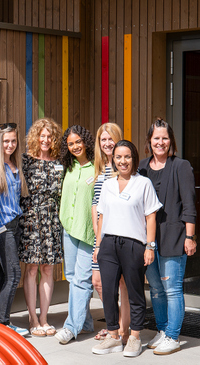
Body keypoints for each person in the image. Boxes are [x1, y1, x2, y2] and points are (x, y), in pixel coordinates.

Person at [92, 140, 162, 357]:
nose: (123, 161)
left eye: (127, 157)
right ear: (113, 159)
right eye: (118, 157)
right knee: (109, 291)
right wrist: (98, 245)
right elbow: (101, 216)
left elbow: (151, 217)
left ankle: (134, 337)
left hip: (134, 245)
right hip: (109, 244)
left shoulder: (143, 184)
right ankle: (113, 335)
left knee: (135, 292)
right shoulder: (108, 184)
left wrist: (150, 246)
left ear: (133, 159)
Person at [139, 118, 197, 355]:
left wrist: (190, 237)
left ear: (170, 140)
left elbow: (189, 204)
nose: (160, 142)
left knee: (171, 288)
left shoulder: (181, 166)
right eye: (156, 138)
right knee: (155, 288)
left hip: (174, 236)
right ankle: (162, 330)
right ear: (149, 141)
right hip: (149, 239)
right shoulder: (142, 166)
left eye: (164, 138)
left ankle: (173, 335)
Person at [19, 118, 64, 337]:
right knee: (32, 269)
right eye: (42, 135)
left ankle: (44, 318)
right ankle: (33, 318)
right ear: (36, 136)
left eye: (49, 136)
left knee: (48, 269)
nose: (45, 139)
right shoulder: (25, 160)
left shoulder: (60, 161)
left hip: (53, 219)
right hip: (31, 218)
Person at [0, 122, 29, 336]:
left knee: (4, 275)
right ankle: (4, 324)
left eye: (13, 141)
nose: (10, 145)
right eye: (6, 141)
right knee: (13, 274)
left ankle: (1, 322)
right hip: (0, 227)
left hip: (16, 224)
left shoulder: (16, 164)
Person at [54, 125, 96, 344]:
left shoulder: (96, 168)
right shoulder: (67, 167)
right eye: (70, 143)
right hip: (69, 228)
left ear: (86, 141)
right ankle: (86, 322)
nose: (75, 146)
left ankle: (71, 327)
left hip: (88, 231)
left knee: (81, 279)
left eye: (78, 141)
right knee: (72, 277)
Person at [91, 122, 130, 342]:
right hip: (99, 235)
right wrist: (96, 235)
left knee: (121, 282)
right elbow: (95, 204)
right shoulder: (98, 168)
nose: (107, 143)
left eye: (110, 139)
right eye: (103, 139)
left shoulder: (123, 167)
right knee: (98, 282)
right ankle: (113, 323)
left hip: (118, 232)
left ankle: (122, 330)